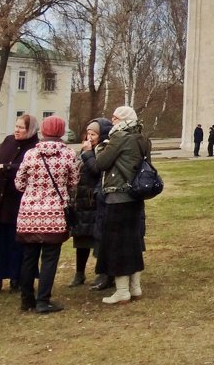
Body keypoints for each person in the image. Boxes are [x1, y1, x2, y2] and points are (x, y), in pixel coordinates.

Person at [14, 115, 80, 313]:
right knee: (50, 258)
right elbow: (74, 182)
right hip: (54, 214)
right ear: (61, 131)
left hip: (29, 214)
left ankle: (27, 300)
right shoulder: (68, 154)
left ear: (43, 131)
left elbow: (19, 183)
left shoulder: (30, 154)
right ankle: (43, 300)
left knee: (28, 257)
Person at [0, 114, 40, 295]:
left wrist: (1, 167)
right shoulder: (8, 140)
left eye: (21, 128)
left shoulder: (34, 147)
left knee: (15, 242)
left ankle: (16, 278)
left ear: (30, 130)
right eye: (16, 126)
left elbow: (22, 167)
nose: (16, 130)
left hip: (17, 201)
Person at [95, 105, 150, 304]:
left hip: (118, 197)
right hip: (135, 196)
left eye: (115, 117)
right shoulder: (142, 139)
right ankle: (135, 287)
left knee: (117, 244)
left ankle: (122, 291)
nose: (112, 121)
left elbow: (101, 163)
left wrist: (99, 147)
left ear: (124, 120)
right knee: (133, 242)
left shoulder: (118, 138)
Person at [69, 118, 113, 290]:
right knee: (81, 238)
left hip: (95, 200)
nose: (90, 136)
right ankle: (79, 273)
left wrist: (88, 154)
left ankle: (102, 273)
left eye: (94, 134)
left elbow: (97, 170)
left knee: (98, 239)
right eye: (88, 133)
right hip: (81, 200)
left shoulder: (104, 150)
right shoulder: (84, 150)